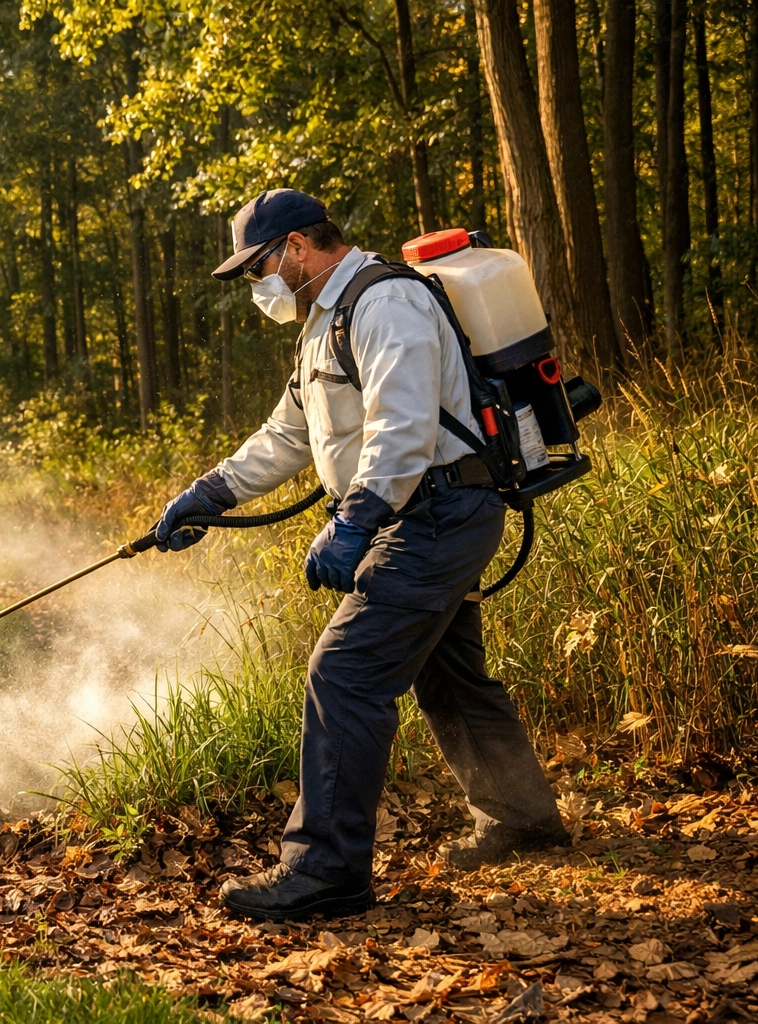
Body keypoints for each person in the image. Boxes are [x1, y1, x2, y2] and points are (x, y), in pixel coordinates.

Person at [156, 188, 567, 922]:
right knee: (450, 672)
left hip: (440, 513)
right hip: (419, 514)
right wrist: (211, 491)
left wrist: (355, 521)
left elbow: (401, 426)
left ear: (296, 249)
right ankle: (524, 819)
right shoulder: (325, 322)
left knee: (343, 674)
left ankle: (327, 872)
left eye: (259, 268)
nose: (259, 285)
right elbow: (288, 434)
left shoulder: (384, 304)